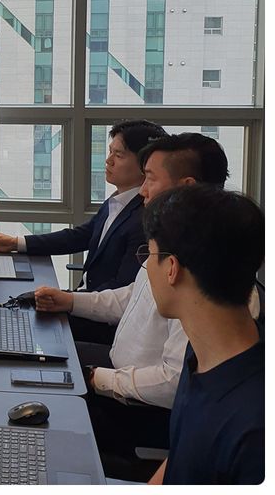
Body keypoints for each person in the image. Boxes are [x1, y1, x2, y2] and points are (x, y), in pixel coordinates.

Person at [33, 133, 231, 474]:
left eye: (150, 179)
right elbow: (132, 297)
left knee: (41, 421)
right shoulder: (172, 240)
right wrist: (70, 301)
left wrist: (99, 379)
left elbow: (174, 383)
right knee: (39, 358)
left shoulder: (203, 270)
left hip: (141, 408)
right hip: (119, 374)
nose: (142, 191)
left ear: (186, 187)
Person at [143, 185, 264, 485]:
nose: (146, 266)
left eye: (150, 255)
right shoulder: (200, 354)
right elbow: (183, 457)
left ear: (172, 269)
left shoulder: (255, 428)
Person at [0, 120, 167, 295]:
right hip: (83, 300)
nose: (108, 160)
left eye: (118, 155)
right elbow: (80, 236)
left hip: (96, 312)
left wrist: (68, 300)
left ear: (145, 164)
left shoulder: (144, 220)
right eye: (110, 152)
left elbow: (121, 290)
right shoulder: (119, 201)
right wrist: (16, 243)